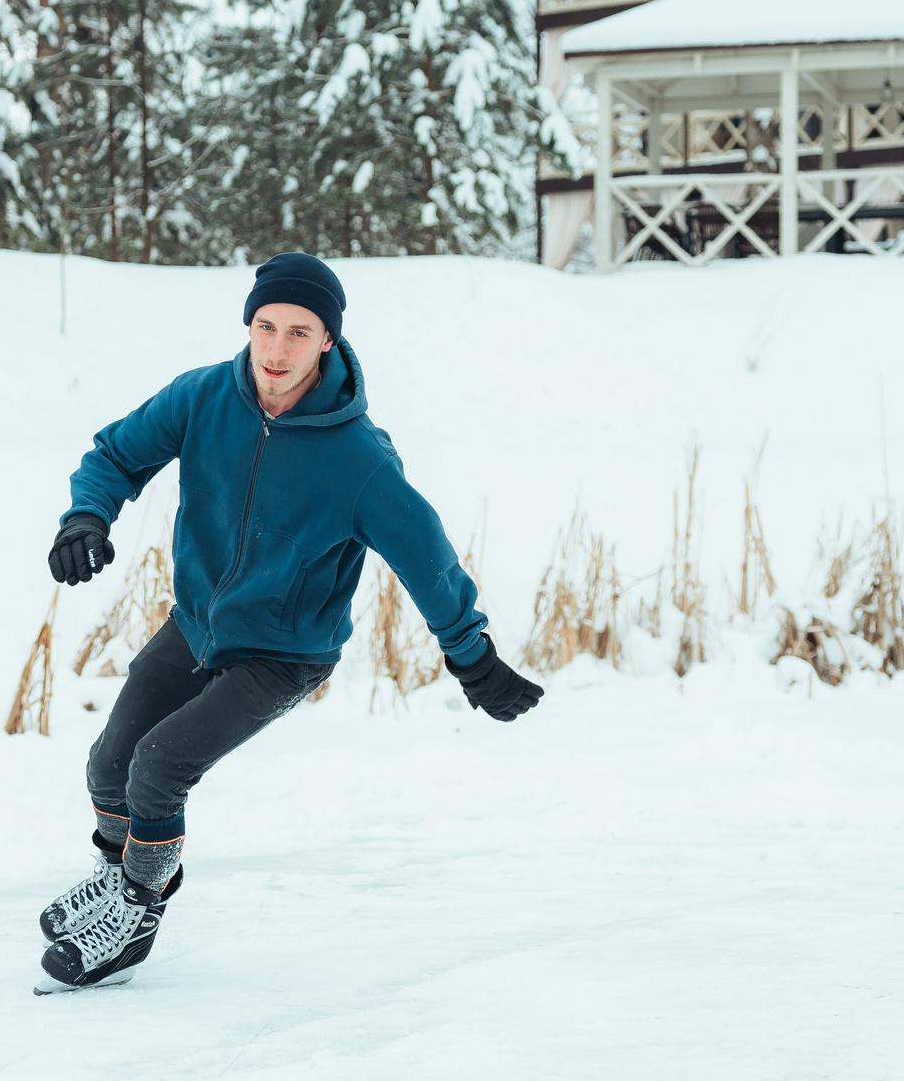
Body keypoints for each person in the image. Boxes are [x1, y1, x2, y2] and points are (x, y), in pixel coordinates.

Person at [33, 252, 545, 993]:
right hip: (199, 622)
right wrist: (86, 515)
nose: (275, 351)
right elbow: (117, 452)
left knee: (159, 766)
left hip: (283, 652)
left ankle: (138, 913)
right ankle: (118, 877)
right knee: (108, 764)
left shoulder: (358, 458)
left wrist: (474, 659)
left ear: (328, 341)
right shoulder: (205, 396)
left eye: (298, 333)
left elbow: (426, 559)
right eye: (265, 327)